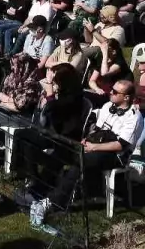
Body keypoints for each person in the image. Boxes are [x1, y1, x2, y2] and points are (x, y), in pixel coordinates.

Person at [33, 78, 139, 222]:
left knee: (80, 162)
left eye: (114, 92)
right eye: (111, 90)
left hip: (116, 155)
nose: (110, 93)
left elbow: (121, 145)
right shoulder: (108, 106)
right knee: (61, 151)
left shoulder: (133, 117)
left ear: (126, 97)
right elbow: (95, 127)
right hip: (96, 146)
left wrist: (94, 147)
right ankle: (40, 190)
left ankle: (52, 203)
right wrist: (88, 139)